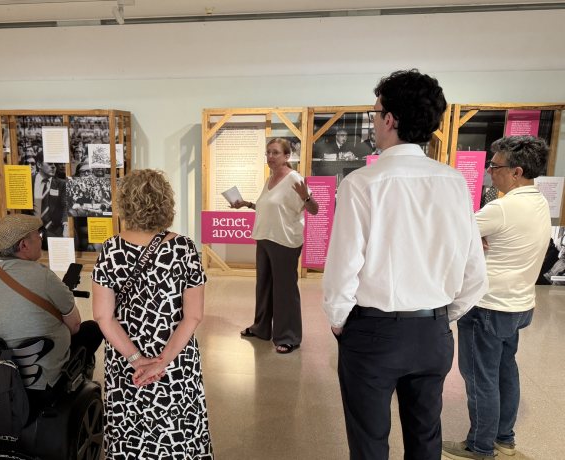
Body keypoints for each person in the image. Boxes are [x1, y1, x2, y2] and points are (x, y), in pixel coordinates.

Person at [322, 69, 488, 460]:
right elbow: (475, 272)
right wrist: (441, 316)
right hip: (433, 332)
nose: (373, 120)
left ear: (390, 119)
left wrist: (340, 319)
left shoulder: (362, 183)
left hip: (372, 331)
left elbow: (344, 266)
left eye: (375, 112)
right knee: (425, 437)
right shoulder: (454, 182)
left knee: (369, 442)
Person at [442, 136, 552, 460]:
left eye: (495, 166)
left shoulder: (503, 208)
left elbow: (449, 234)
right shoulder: (538, 202)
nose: (490, 171)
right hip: (519, 305)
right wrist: (476, 238)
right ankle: (504, 439)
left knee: (480, 377)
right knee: (506, 371)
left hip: (488, 306)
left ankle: (480, 446)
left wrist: (472, 237)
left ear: (516, 172)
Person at [91, 169, 213, 458]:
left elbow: (103, 317)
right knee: (176, 423)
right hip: (174, 356)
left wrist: (137, 359)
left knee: (129, 425)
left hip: (126, 358)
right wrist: (162, 362)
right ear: (165, 203)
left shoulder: (110, 250)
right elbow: (193, 316)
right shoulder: (184, 249)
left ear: (124, 204)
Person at [0, 214, 102, 409]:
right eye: (37, 235)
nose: (41, 239)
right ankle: (77, 380)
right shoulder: (45, 277)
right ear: (24, 245)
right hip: (39, 382)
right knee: (91, 329)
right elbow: (74, 326)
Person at [232, 138, 319, 354]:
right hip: (264, 238)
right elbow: (268, 207)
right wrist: (247, 204)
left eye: (275, 152)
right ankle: (261, 328)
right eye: (268, 152)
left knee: (285, 290)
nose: (270, 156)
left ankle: (289, 336)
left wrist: (306, 197)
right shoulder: (270, 179)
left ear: (287, 156)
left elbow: (314, 210)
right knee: (263, 287)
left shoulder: (294, 179)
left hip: (284, 241)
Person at [33, 154, 68, 239]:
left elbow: (66, 205)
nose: (53, 166)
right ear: (39, 164)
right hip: (32, 229)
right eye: (49, 163)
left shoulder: (61, 184)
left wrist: (66, 225)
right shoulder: (29, 181)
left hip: (54, 230)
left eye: (55, 164)